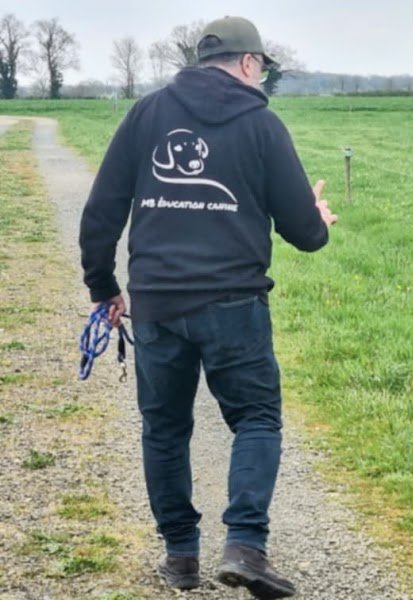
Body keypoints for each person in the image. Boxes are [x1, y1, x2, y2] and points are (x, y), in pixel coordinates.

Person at [79, 15, 337, 599]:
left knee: (164, 428)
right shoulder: (262, 125)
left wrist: (103, 286)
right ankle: (244, 544)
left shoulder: (146, 114)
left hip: (158, 302)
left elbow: (102, 210)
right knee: (256, 419)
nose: (262, 78)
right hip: (233, 303)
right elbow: (305, 233)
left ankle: (180, 558)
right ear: (248, 62)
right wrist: (318, 219)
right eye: (262, 68)